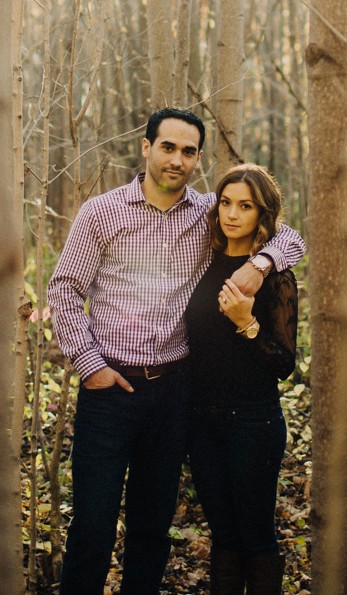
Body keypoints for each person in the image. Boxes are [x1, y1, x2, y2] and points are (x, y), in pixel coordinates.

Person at [47, 109, 306, 595]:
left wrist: (260, 265)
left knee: (151, 530)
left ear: (198, 160)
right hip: (109, 390)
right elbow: (63, 290)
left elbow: (289, 235)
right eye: (168, 147)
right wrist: (91, 367)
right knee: (93, 528)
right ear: (147, 148)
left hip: (173, 396)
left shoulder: (209, 213)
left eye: (188, 152)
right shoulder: (101, 213)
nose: (177, 159)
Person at [184, 164, 297, 595]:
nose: (232, 214)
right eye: (226, 203)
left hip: (253, 422)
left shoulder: (274, 275)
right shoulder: (203, 262)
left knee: (255, 536)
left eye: (245, 206)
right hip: (201, 421)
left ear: (261, 216)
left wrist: (247, 324)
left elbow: (283, 364)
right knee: (224, 537)